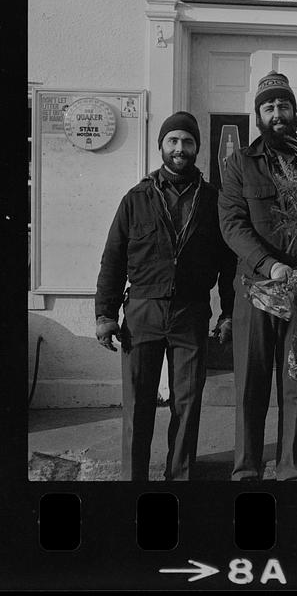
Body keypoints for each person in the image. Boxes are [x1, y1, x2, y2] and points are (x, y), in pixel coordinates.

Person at [95, 111, 235, 481]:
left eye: (187, 142)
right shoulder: (135, 199)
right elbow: (113, 258)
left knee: (187, 404)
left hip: (191, 313)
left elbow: (228, 264)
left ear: (197, 149)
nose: (180, 149)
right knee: (138, 405)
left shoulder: (212, 201)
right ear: (160, 146)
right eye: (172, 141)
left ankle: (181, 481)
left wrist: (228, 313)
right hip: (142, 311)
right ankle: (132, 482)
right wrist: (104, 314)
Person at [218, 71, 297, 481]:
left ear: (296, 112)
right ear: (258, 115)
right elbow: (232, 225)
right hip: (256, 291)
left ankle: (290, 470)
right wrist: (271, 265)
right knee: (251, 383)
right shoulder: (239, 164)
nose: (277, 114)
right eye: (269, 107)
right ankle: (246, 469)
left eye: (284, 106)